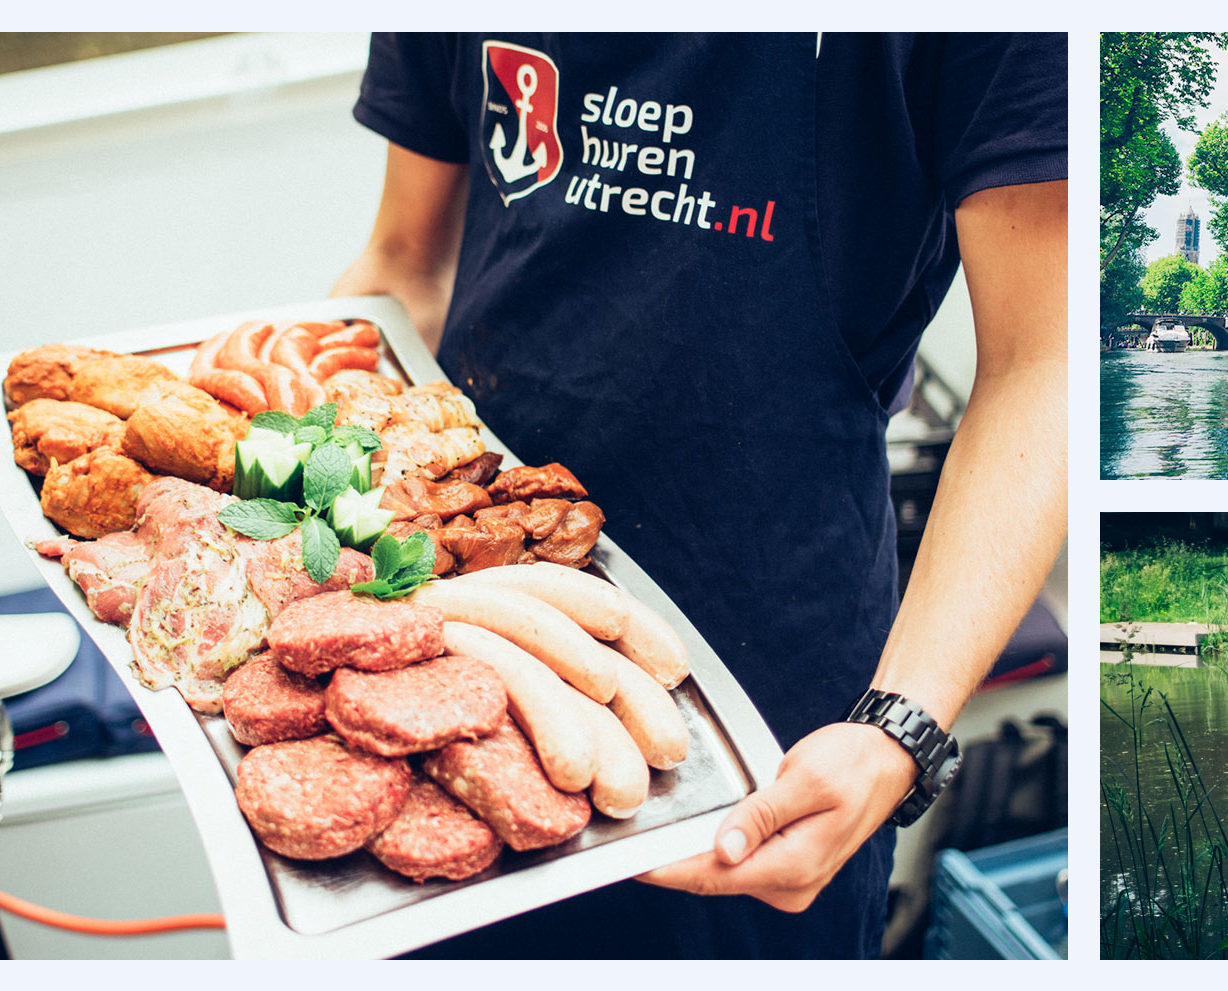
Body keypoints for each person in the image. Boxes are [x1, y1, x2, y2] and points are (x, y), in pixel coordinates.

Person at [337, 33, 1065, 957]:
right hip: (445, 635)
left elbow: (1045, 363)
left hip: (773, 702)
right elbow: (406, 263)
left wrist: (902, 728)